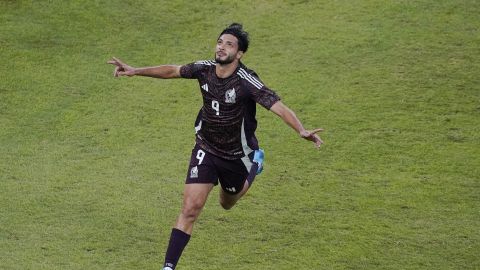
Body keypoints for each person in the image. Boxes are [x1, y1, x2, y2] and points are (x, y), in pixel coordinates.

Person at [108, 23, 323, 270]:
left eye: (229, 44)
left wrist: (301, 130)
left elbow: (278, 107)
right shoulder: (205, 69)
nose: (221, 48)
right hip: (206, 147)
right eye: (220, 42)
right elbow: (173, 71)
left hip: (237, 155)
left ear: (240, 54)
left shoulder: (246, 81)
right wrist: (136, 71)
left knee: (227, 202)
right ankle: (168, 267)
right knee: (190, 209)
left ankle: (256, 164)